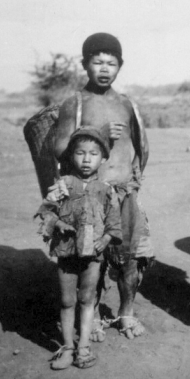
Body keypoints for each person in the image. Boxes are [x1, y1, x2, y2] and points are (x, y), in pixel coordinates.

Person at [50, 32, 154, 343]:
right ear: (85, 65)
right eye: (97, 62)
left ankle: (126, 312)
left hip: (123, 194)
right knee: (88, 257)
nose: (105, 68)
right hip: (89, 195)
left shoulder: (127, 104)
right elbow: (59, 149)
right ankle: (91, 313)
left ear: (120, 66)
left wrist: (133, 180)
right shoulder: (76, 103)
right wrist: (100, 135)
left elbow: (143, 146)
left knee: (130, 257)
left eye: (111, 63)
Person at [36, 126, 122, 369]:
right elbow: (46, 213)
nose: (86, 159)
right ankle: (67, 347)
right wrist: (59, 223)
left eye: (93, 154)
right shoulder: (63, 185)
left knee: (87, 299)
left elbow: (114, 225)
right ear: (71, 156)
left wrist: (104, 240)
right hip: (66, 253)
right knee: (66, 300)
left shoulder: (106, 190)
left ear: (103, 158)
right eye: (80, 153)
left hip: (92, 257)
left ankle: (83, 346)